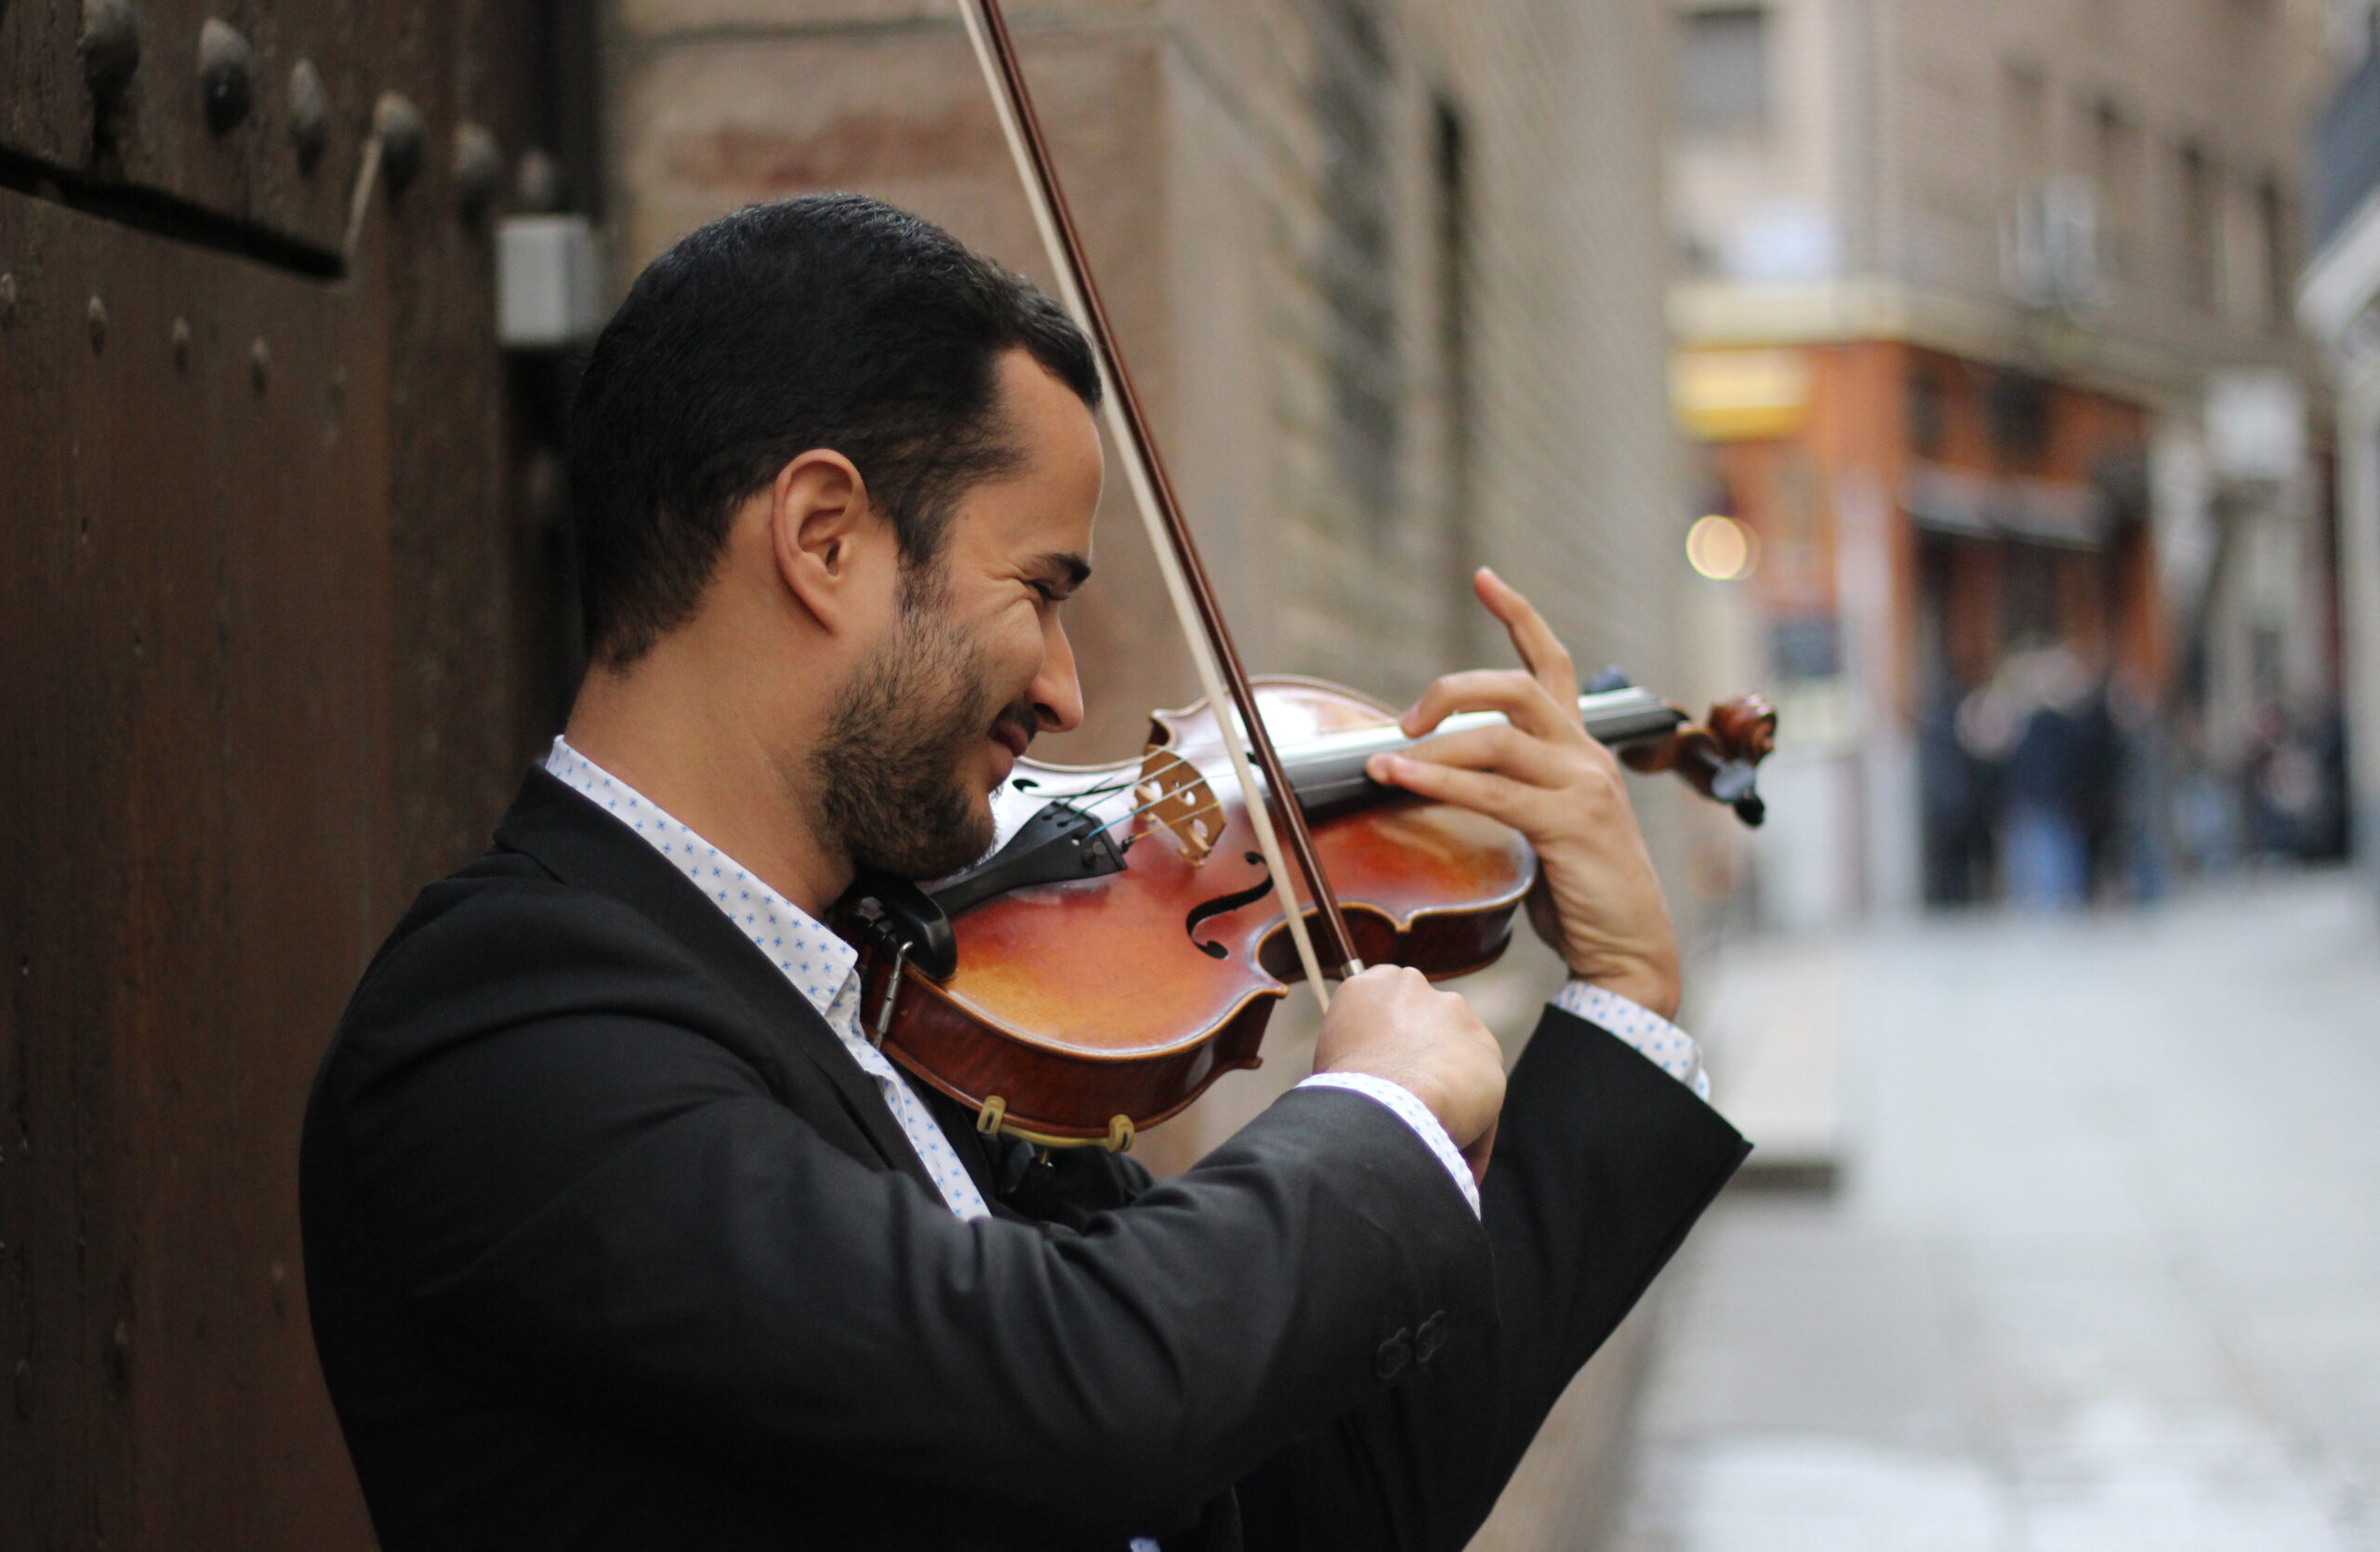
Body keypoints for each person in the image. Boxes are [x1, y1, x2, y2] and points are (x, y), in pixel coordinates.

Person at [299, 194, 1749, 1552]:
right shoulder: (500, 1037)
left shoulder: (909, 1010)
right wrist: (1376, 1114)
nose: (1065, 692)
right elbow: (1072, 1390)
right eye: (1040, 590)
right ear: (823, 539)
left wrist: (1623, 999)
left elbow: (1321, 1502)